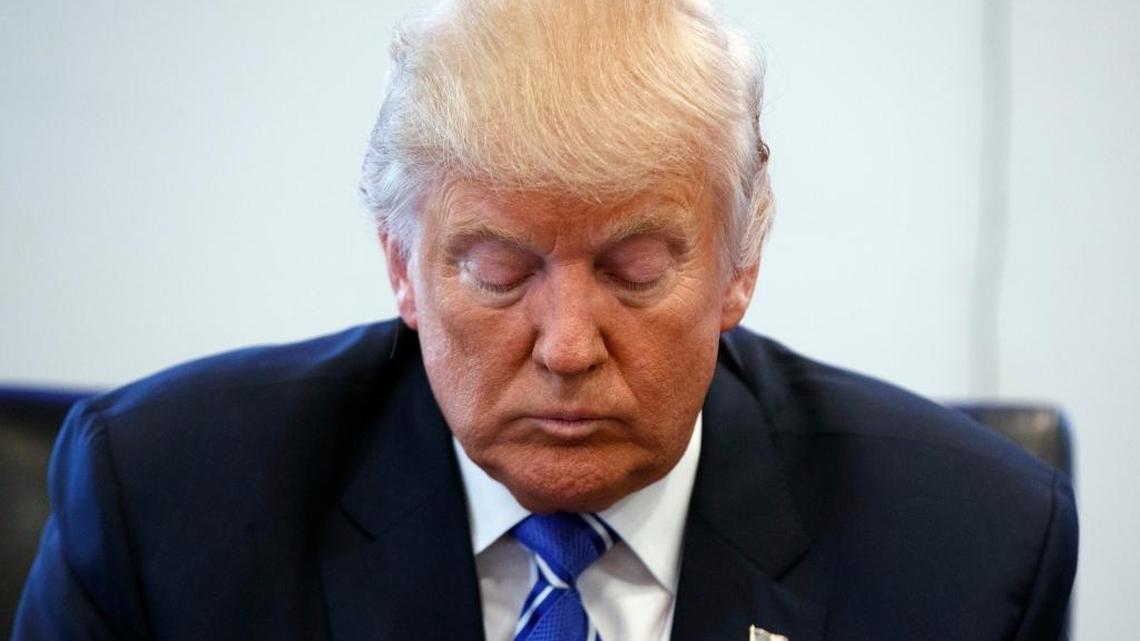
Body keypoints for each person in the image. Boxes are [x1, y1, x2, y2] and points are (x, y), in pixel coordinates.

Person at [13, 1, 1076, 640]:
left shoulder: (966, 546)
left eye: (636, 269)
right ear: (401, 263)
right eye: (496, 270)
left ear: (741, 262)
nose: (568, 344)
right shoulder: (162, 504)